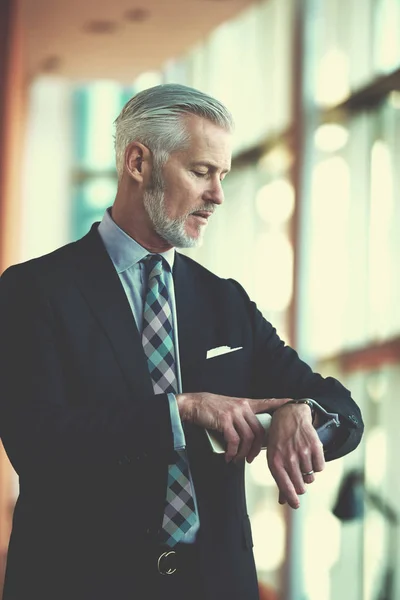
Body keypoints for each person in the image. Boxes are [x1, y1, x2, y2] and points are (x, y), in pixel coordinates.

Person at [0, 84, 363, 600]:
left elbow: (342, 409)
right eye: (201, 172)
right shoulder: (32, 291)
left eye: (223, 176)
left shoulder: (225, 301)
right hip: (81, 580)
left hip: (217, 583)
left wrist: (300, 410)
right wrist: (182, 410)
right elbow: (37, 441)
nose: (217, 195)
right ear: (138, 162)